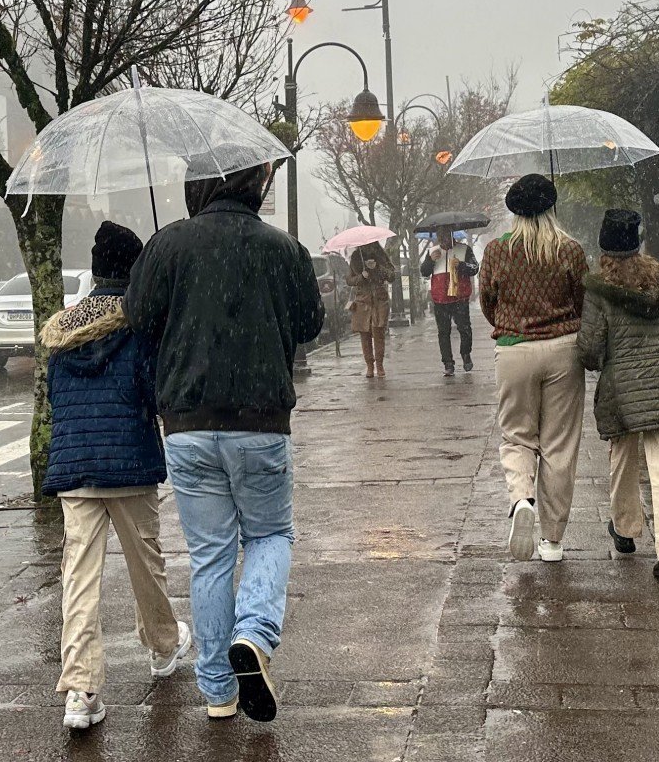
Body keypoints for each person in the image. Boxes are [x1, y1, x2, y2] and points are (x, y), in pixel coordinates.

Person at [126, 162, 326, 722]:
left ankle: (217, 690)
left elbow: (138, 317)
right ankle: (255, 635)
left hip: (188, 422)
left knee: (210, 554)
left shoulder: (169, 245)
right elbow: (312, 321)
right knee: (270, 533)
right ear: (255, 185)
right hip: (261, 420)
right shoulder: (282, 248)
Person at [41, 221, 192, 732]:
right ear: (134, 270)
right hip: (128, 464)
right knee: (145, 565)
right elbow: (154, 393)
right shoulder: (139, 323)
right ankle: (162, 646)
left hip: (76, 469)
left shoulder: (64, 331)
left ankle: (81, 691)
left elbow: (55, 397)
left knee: (79, 578)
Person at [579, 208, 659, 585]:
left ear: (604, 248)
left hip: (622, 389)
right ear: (637, 243)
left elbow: (592, 350)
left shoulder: (599, 292)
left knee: (623, 460)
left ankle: (626, 529)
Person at [477, 173, 588, 563]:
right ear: (550, 206)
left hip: (514, 350)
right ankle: (553, 541)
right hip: (563, 350)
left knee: (518, 437)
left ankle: (521, 500)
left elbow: (488, 302)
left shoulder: (496, 250)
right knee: (559, 446)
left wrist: (510, 323)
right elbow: (581, 301)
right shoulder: (570, 249)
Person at [419, 225, 478, 374]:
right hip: (440, 299)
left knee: (464, 328)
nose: (442, 239)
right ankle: (448, 362)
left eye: (445, 235)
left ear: (451, 235)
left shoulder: (464, 249)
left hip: (460, 297)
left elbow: (475, 268)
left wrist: (462, 265)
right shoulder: (432, 251)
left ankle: (466, 354)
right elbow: (424, 272)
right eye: (439, 236)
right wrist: (430, 261)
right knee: (443, 332)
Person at [346, 240, 397, 378]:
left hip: (379, 301)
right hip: (363, 301)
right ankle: (370, 365)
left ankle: (379, 365)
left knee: (379, 333)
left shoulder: (381, 255)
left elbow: (392, 275)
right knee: (365, 334)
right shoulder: (356, 258)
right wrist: (362, 276)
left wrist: (377, 269)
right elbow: (349, 280)